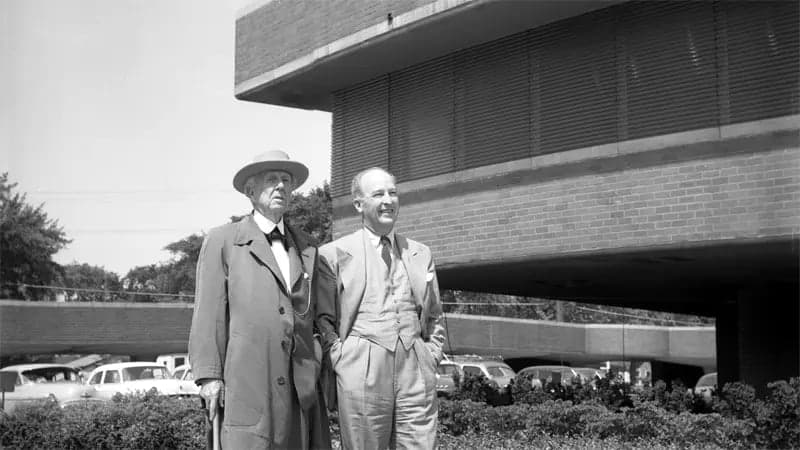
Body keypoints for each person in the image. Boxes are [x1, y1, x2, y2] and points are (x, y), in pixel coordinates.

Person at [188, 150, 330, 449]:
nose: (281, 186)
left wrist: (315, 358)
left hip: (299, 388)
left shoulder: (307, 247)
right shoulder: (222, 240)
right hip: (247, 384)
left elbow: (317, 315)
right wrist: (208, 377)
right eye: (271, 180)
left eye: (286, 181)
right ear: (250, 192)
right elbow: (207, 315)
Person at [316, 167, 446, 449]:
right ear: (359, 204)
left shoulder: (420, 253)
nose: (388, 200)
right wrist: (341, 358)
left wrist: (430, 355)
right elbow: (323, 320)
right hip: (361, 369)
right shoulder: (333, 254)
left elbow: (434, 314)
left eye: (393, 192)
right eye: (378, 194)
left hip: (416, 370)